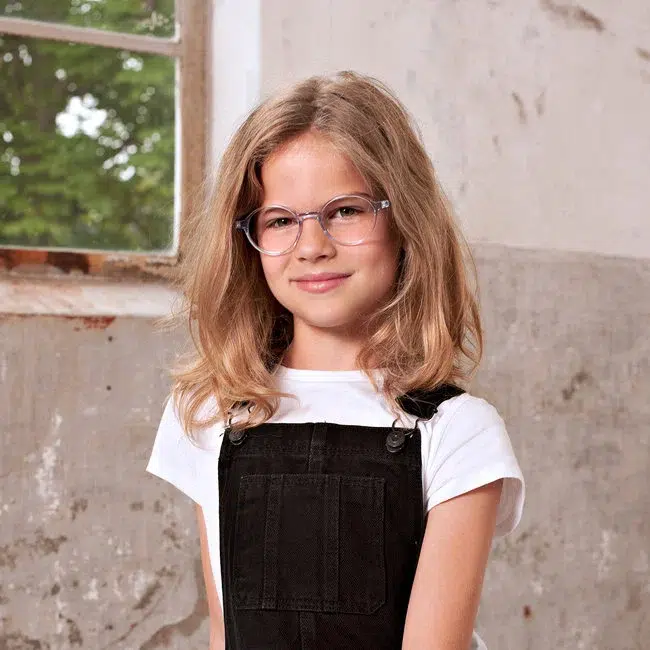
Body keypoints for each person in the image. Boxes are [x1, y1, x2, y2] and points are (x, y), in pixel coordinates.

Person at [146, 70, 525, 650]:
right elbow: (226, 635)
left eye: (346, 211)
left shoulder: (458, 431)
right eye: (280, 221)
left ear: (405, 221)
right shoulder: (208, 412)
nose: (313, 246)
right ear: (246, 240)